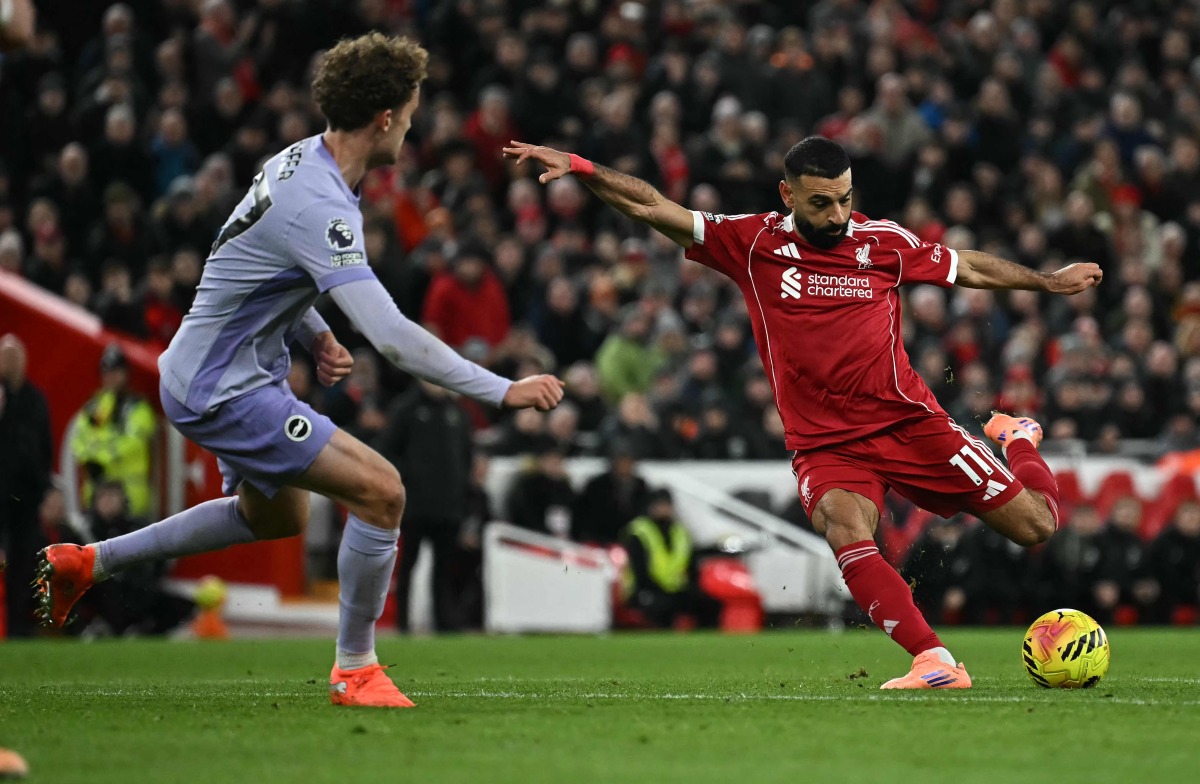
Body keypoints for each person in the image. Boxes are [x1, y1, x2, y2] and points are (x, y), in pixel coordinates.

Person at [37, 33, 563, 708]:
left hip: (217, 371)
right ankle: (355, 669)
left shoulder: (296, 164)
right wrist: (501, 389)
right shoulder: (319, 203)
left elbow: (248, 262)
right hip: (223, 387)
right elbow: (392, 338)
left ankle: (89, 562)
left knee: (275, 516)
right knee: (382, 492)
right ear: (384, 116)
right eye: (410, 109)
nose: (413, 123)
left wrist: (312, 333)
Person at [505, 135, 1102, 688]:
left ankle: (1020, 439)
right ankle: (934, 660)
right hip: (826, 443)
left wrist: (1048, 283)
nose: (837, 215)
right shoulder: (753, 243)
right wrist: (581, 168)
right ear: (787, 194)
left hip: (910, 423)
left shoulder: (881, 242)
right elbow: (652, 207)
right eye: (821, 203)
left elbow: (967, 265)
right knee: (845, 527)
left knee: (1038, 528)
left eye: (845, 199)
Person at [375, 379, 473, 632]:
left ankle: (443, 623)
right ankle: (403, 623)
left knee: (444, 568)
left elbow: (467, 456)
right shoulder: (406, 408)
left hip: (449, 506)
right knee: (408, 564)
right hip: (415, 505)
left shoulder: (456, 412)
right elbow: (387, 450)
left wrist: (462, 492)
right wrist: (409, 480)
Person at [0, 334, 52, 637]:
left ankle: (19, 625)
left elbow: (46, 447)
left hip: (26, 496)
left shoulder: (35, 399)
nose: (11, 364)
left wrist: (45, 488)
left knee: (24, 563)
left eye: (15, 358)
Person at [69, 343, 157, 518]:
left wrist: (100, 458)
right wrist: (88, 459)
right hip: (96, 500)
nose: (110, 377)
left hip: (131, 500)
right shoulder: (94, 406)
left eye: (116, 372)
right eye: (106, 372)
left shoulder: (138, 408)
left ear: (126, 374)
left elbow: (133, 442)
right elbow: (79, 438)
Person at [620, 487, 718, 628]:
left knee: (708, 605)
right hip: (644, 590)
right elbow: (640, 573)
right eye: (660, 505)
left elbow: (692, 567)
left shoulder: (680, 532)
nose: (664, 509)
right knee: (659, 608)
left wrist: (691, 589)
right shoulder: (639, 532)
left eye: (667, 505)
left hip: (675, 590)